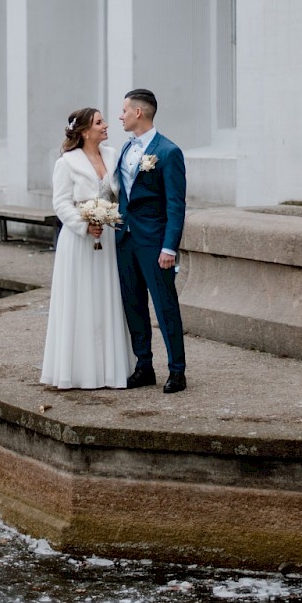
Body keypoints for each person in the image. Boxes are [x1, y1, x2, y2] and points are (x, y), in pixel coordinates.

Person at [40, 107, 131, 390]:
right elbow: (61, 203)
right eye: (99, 122)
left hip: (108, 239)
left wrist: (111, 219)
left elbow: (121, 194)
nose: (106, 125)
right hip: (79, 242)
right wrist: (84, 225)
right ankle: (79, 371)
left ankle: (110, 370)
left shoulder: (114, 156)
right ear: (84, 131)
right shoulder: (66, 163)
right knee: (80, 300)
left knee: (107, 298)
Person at [114, 89, 187, 393]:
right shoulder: (124, 149)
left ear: (139, 113)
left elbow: (176, 203)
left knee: (165, 306)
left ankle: (177, 371)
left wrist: (169, 247)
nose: (121, 116)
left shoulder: (168, 152)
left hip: (156, 243)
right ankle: (144, 365)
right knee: (133, 305)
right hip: (125, 240)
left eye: (124, 111)